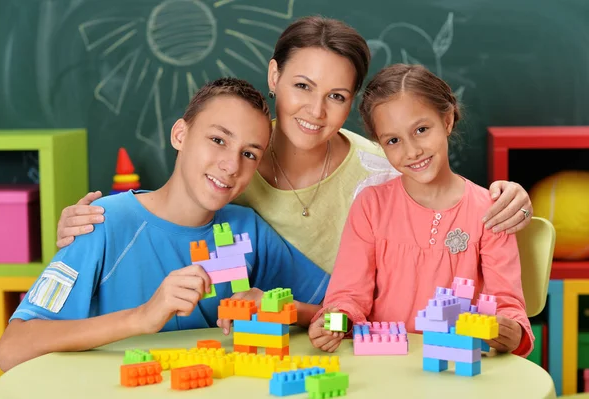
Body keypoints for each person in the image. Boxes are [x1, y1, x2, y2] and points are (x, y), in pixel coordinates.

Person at [55, 17, 534, 275]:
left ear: (352, 105)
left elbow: (447, 201)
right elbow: (167, 225)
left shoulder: (382, 167)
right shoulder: (227, 167)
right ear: (274, 76)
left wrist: (510, 195)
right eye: (302, 86)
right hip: (247, 342)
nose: (315, 111)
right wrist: (87, 235)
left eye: (337, 97)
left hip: (353, 345)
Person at [0, 78, 330, 372]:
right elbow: (11, 349)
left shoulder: (247, 231)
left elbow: (337, 312)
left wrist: (283, 306)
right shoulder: (101, 223)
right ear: (180, 135)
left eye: (249, 154)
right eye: (217, 140)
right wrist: (142, 317)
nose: (230, 165)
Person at [308, 64, 532, 357]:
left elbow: (508, 307)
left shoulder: (491, 211)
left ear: (448, 121)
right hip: (385, 362)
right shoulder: (371, 206)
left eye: (422, 130)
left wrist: (510, 332)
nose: (412, 150)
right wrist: (333, 323)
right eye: (393, 141)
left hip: (459, 364)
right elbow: (348, 296)